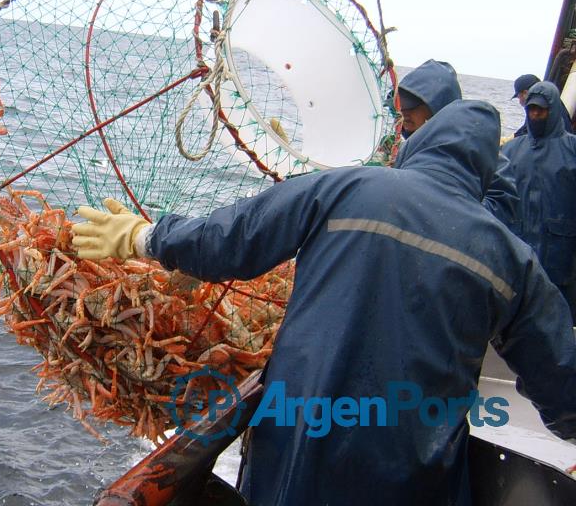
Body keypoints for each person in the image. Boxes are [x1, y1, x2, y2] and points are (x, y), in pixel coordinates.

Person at [72, 100, 576, 505]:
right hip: (410, 475)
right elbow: (562, 380)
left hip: (293, 453)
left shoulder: (346, 187)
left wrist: (145, 236)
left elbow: (232, 238)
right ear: (488, 173)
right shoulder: (512, 259)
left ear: (419, 143)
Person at [395, 59, 520, 228]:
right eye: (401, 105)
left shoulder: (485, 156)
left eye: (413, 105)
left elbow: (503, 209)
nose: (405, 112)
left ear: (438, 107)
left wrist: (438, 204)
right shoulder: (403, 149)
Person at [502, 81, 576, 323]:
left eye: (541, 110)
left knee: (559, 317)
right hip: (519, 244)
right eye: (531, 109)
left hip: (560, 251)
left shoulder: (572, 149)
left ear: (552, 110)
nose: (535, 114)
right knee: (518, 318)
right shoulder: (511, 151)